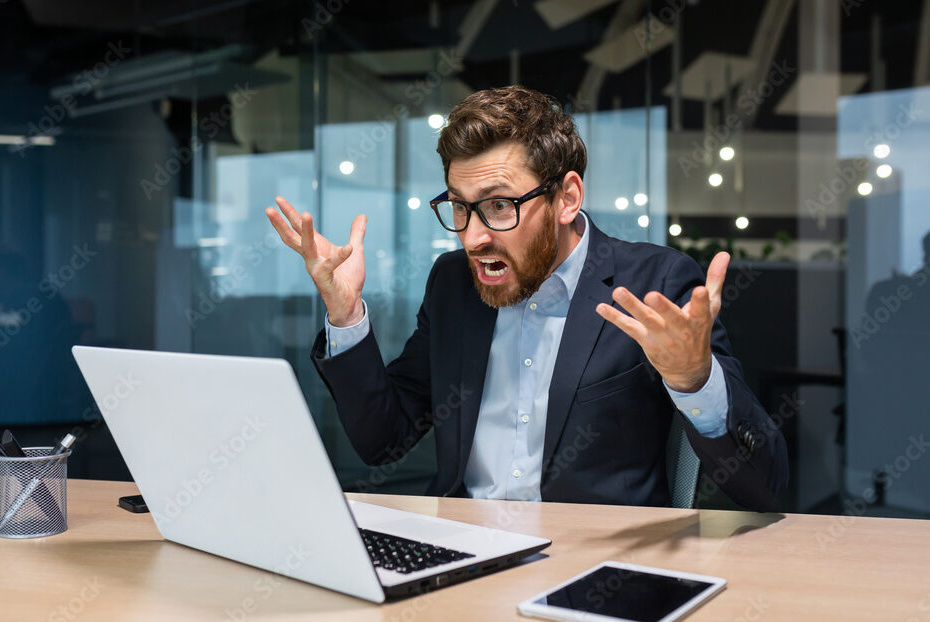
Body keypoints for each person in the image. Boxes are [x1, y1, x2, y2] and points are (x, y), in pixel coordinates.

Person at [266, 86, 787, 511]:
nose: (472, 238)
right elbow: (383, 440)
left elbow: (764, 489)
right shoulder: (453, 284)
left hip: (596, 571)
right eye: (460, 208)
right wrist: (344, 312)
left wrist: (694, 381)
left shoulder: (655, 282)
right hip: (461, 559)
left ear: (567, 198)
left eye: (498, 206)